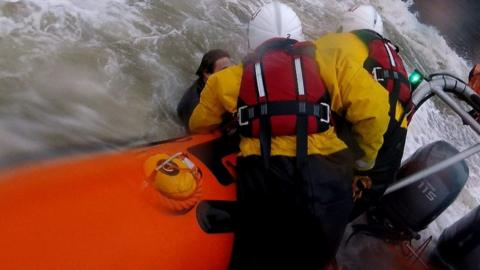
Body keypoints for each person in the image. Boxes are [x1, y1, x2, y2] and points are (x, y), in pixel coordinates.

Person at [189, 2, 390, 269]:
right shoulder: (330, 63)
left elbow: (198, 125)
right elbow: (376, 111)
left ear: (254, 41)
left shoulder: (226, 81)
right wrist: (362, 164)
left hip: (269, 184)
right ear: (299, 36)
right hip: (332, 184)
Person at [316, 4, 413, 220]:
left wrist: (361, 166)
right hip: (389, 155)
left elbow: (299, 70)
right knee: (336, 216)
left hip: (366, 137)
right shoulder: (394, 61)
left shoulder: (339, 44)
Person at [176, 49, 232, 128]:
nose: (230, 73)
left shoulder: (220, 84)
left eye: (231, 69)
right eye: (224, 70)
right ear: (207, 74)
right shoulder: (196, 103)